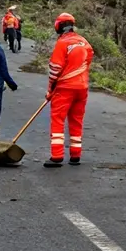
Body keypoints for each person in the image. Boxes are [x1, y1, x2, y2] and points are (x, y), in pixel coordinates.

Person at [44, 13, 94, 168]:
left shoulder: (62, 43)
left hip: (65, 88)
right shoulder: (84, 42)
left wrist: (50, 89)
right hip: (82, 87)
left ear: (58, 26)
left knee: (58, 120)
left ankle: (57, 156)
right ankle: (75, 155)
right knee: (76, 121)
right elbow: (88, 60)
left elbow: (55, 68)